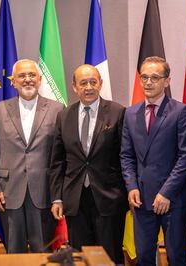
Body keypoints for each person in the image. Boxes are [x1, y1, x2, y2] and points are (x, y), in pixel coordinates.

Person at [120, 56, 186, 266]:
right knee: (143, 257)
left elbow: (185, 156)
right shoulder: (130, 113)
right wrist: (131, 186)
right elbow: (126, 155)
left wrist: (166, 193)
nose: (148, 82)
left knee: (176, 257)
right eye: (144, 77)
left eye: (155, 77)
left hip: (173, 200)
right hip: (141, 199)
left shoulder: (180, 112)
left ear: (167, 81)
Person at [49, 64, 127, 264]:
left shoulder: (117, 112)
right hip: (75, 200)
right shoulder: (64, 115)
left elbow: (125, 157)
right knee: (80, 257)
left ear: (100, 83)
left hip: (109, 198)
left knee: (109, 257)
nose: (89, 87)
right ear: (75, 87)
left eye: (93, 82)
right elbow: (57, 161)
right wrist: (57, 198)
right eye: (83, 83)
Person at [0, 59, 64, 253]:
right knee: (14, 253)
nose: (27, 79)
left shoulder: (57, 109)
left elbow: (60, 157)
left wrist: (58, 196)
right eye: (22, 76)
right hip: (8, 193)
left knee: (43, 253)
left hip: (44, 192)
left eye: (32, 75)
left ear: (39, 80)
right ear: (13, 81)